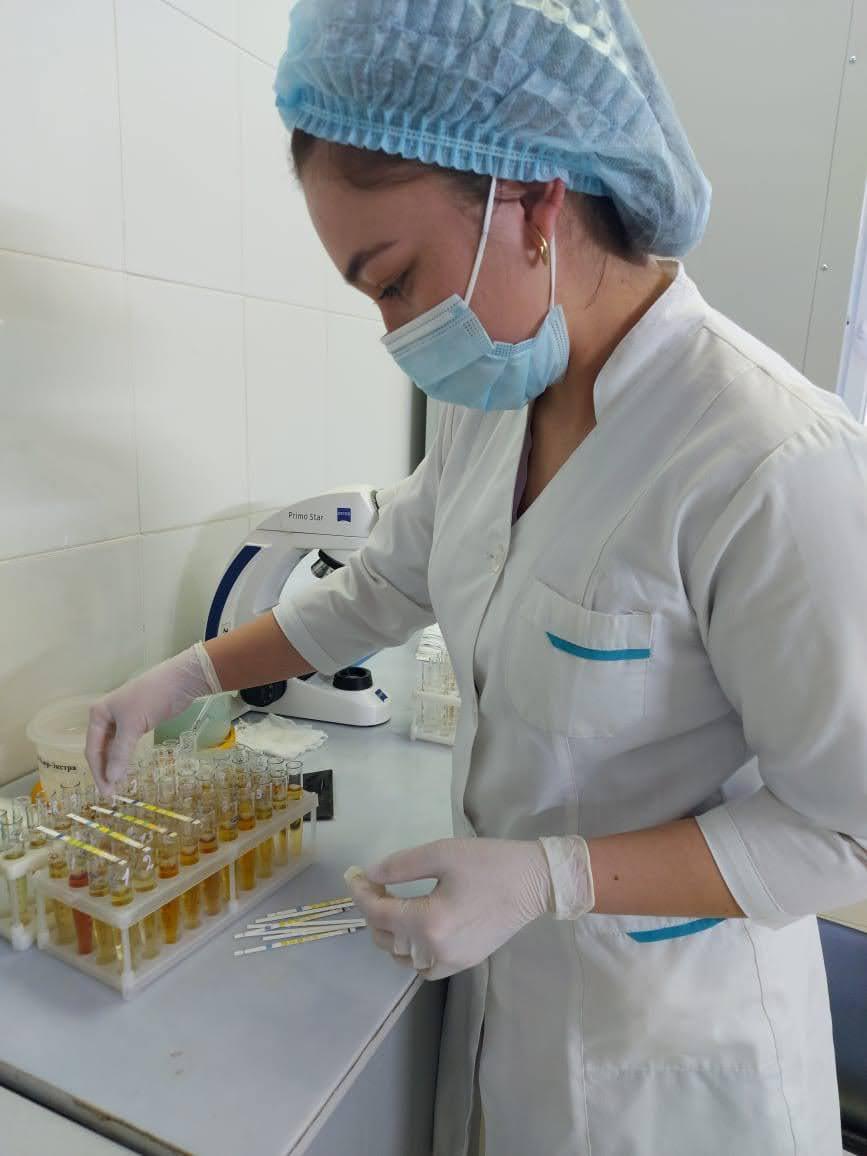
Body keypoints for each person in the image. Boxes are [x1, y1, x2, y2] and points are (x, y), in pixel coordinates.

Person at [86, 2, 867, 1153]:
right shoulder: (489, 409)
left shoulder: (767, 458)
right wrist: (187, 673)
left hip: (674, 1074)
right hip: (509, 1025)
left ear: (535, 200)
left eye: (397, 280)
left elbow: (843, 831)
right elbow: (377, 588)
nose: (395, 331)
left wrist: (549, 878)